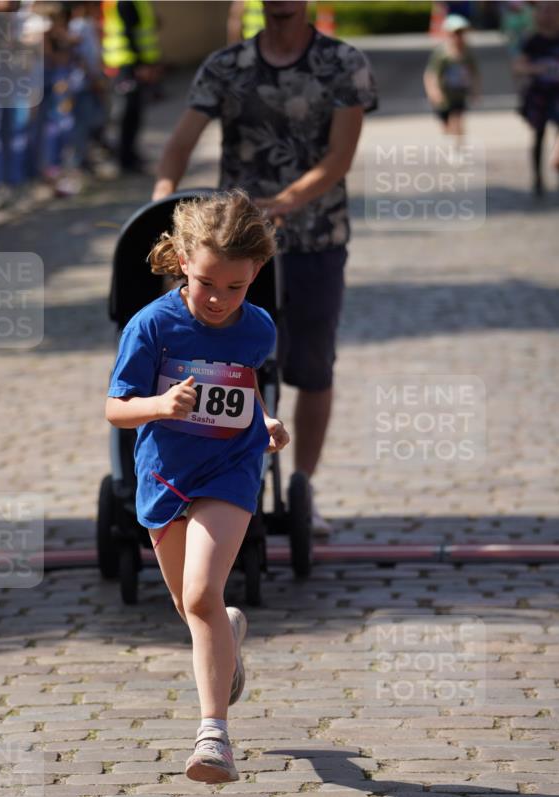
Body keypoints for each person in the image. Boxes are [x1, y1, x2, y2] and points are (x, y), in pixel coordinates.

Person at [153, 0, 376, 537]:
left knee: (313, 364)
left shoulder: (343, 63)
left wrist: (286, 201)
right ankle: (203, 484)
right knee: (220, 362)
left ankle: (303, 484)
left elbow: (339, 157)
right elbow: (181, 142)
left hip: (314, 239)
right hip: (235, 248)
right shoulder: (226, 67)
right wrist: (162, 199)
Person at [105, 191, 289, 784]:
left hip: (229, 468)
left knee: (203, 591)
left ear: (255, 273)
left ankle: (214, 737)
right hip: (164, 474)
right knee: (193, 606)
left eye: (235, 287)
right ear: (183, 259)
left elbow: (244, 386)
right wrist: (160, 404)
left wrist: (263, 422)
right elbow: (115, 408)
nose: (219, 299)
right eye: (208, 283)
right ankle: (228, 637)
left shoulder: (256, 326)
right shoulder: (151, 325)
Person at [101, 0, 161, 171]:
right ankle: (125, 160)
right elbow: (130, 32)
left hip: (131, 64)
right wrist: (142, 65)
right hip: (127, 65)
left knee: (134, 113)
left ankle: (130, 155)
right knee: (127, 114)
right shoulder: (124, 2)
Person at [513, 0, 559, 197]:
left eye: (552, 11)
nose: (548, 15)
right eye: (544, 11)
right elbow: (518, 66)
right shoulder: (532, 40)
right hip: (540, 94)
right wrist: (536, 68)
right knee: (539, 136)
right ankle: (537, 178)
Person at [423, 14, 480, 142]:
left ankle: (459, 146)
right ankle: (452, 140)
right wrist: (434, 92)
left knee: (458, 119)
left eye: (461, 33)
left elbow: (474, 72)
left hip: (459, 92)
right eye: (455, 33)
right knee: (447, 123)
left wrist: (475, 91)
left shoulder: (467, 52)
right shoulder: (442, 54)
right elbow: (431, 74)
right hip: (445, 94)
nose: (458, 37)